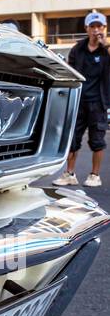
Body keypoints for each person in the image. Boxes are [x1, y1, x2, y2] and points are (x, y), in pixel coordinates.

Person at [55, 10, 110, 188]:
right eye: (92, 26)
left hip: (98, 103)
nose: (96, 30)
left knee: (97, 140)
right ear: (86, 28)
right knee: (72, 138)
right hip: (78, 101)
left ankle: (94, 175)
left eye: (99, 26)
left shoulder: (106, 51)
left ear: (105, 28)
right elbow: (70, 73)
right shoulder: (77, 49)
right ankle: (69, 173)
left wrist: (106, 46)